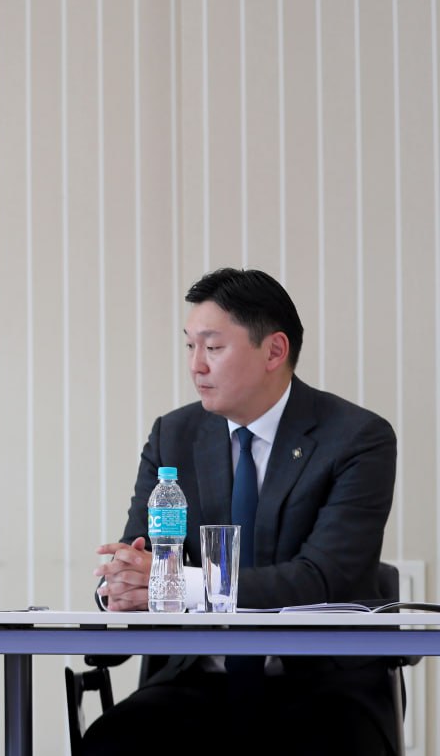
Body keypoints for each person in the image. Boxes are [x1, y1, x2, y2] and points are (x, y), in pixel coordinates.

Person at [85, 268, 398, 756]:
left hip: (320, 686)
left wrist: (180, 584)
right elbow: (140, 552)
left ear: (274, 351)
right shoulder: (174, 435)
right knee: (112, 743)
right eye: (189, 346)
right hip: (197, 680)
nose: (196, 366)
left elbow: (322, 579)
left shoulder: (357, 438)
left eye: (213, 347)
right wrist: (121, 586)